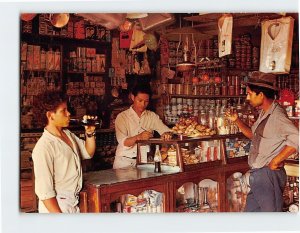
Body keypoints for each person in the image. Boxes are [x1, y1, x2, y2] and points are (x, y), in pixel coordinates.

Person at [225, 71, 299, 212]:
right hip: (258, 175)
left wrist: (276, 160)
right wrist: (237, 121)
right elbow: (253, 135)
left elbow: (297, 137)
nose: (247, 97)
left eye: (250, 93)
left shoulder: (277, 116)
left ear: (261, 95)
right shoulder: (265, 113)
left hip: (268, 176)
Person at [32, 91, 97, 213]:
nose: (69, 113)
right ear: (50, 116)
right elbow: (45, 193)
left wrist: (90, 132)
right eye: (63, 111)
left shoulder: (67, 135)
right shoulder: (44, 147)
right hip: (56, 206)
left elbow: (88, 153)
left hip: (72, 202)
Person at [113, 84, 172, 169]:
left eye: (146, 101)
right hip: (124, 162)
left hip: (144, 162)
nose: (143, 104)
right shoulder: (122, 117)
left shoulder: (151, 116)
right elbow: (124, 142)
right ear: (133, 97)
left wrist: (167, 134)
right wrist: (139, 137)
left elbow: (166, 131)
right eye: (139, 100)